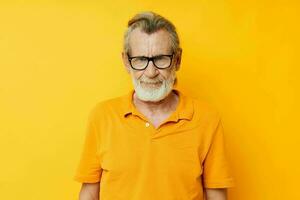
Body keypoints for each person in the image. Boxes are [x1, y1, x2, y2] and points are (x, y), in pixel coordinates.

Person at [74, 11, 235, 200]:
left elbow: (216, 197)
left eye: (160, 59)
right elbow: (89, 195)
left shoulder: (207, 119)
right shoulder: (102, 116)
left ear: (177, 60)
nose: (151, 72)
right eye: (141, 60)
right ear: (126, 62)